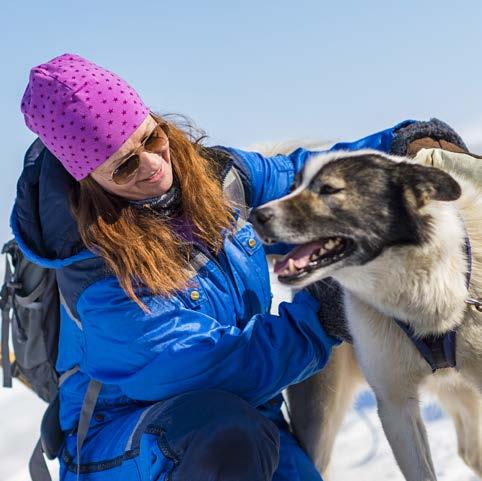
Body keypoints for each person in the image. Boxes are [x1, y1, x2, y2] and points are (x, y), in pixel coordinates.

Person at [13, 53, 468, 481]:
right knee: (226, 437)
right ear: (89, 182)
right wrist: (323, 316)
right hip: (133, 443)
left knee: (240, 435)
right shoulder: (98, 277)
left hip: (249, 416)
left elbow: (297, 179)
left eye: (152, 138)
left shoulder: (217, 177)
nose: (153, 165)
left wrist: (398, 146)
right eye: (126, 165)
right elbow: (215, 366)